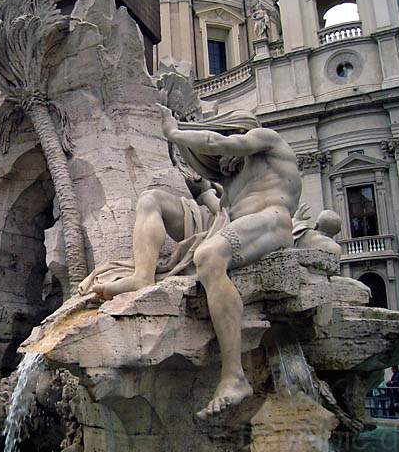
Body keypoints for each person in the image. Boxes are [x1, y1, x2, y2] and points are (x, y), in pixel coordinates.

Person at [85, 105, 302, 420]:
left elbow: (217, 143)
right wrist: (201, 190)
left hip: (271, 221)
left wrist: (174, 133)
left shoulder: (267, 140)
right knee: (151, 200)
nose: (223, 165)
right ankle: (142, 276)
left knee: (209, 255)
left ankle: (234, 377)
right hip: (226, 224)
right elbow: (219, 206)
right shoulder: (233, 176)